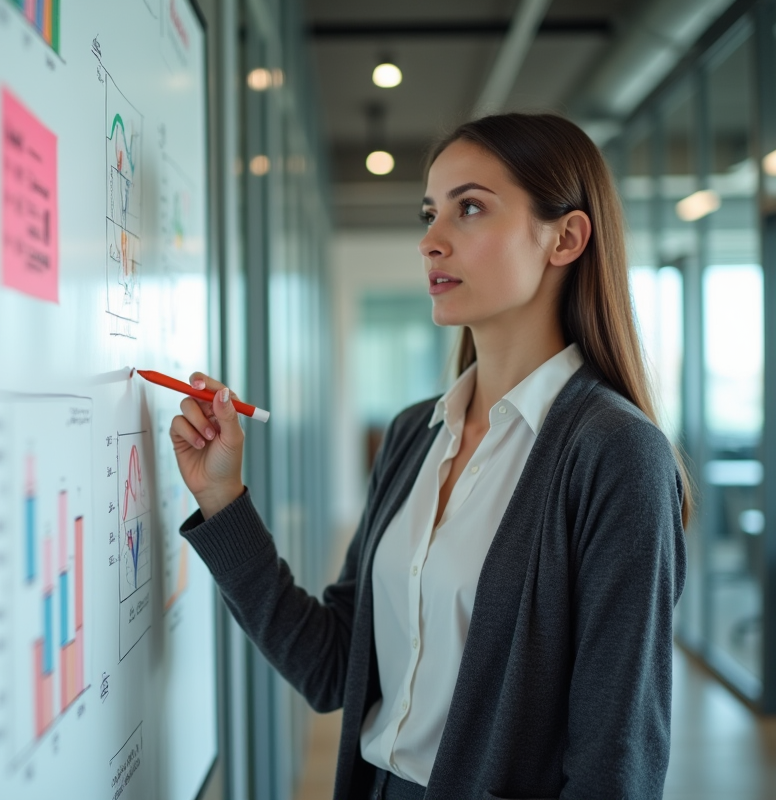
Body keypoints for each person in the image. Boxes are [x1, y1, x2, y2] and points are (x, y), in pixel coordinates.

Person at [169, 112, 689, 800]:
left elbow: (614, 760)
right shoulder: (416, 433)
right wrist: (222, 499)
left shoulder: (615, 454)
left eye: (469, 208)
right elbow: (332, 667)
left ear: (565, 238)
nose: (431, 241)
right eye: (429, 212)